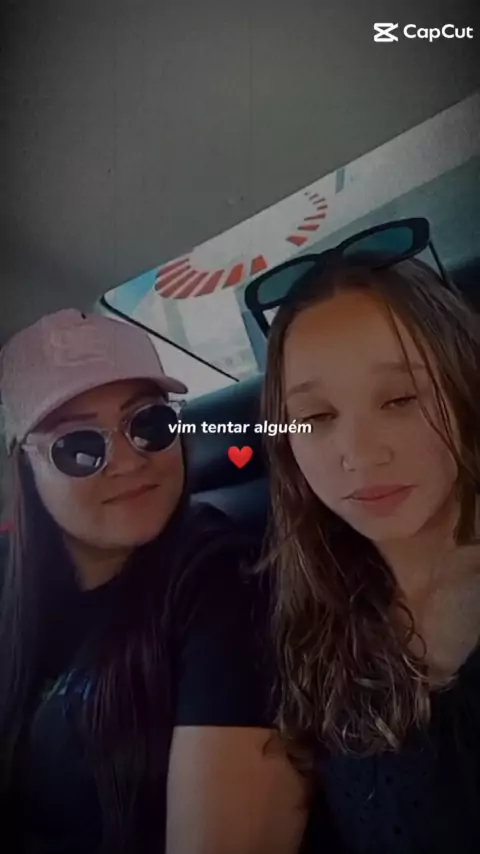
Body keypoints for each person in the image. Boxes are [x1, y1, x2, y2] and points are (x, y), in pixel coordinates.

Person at [0, 309, 308, 854]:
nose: (127, 461)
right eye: (78, 446)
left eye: (150, 423)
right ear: (25, 469)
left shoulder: (226, 579)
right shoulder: (11, 588)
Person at [259, 256, 480, 853]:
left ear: (465, 385)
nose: (358, 453)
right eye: (316, 416)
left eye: (400, 399)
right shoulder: (312, 621)